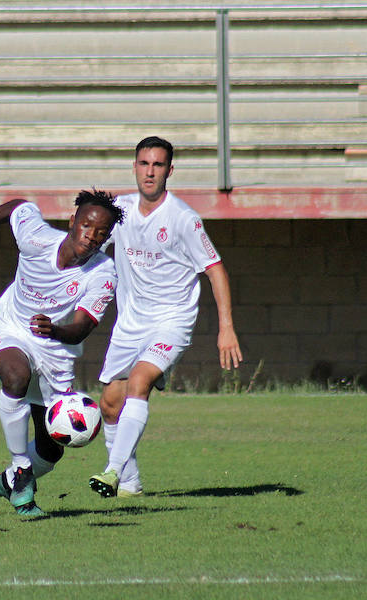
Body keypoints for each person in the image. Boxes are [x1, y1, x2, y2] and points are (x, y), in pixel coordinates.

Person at [0, 190, 122, 516]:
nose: (91, 236)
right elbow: (17, 206)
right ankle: (21, 468)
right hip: (10, 328)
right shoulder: (36, 237)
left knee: (51, 450)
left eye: (101, 233)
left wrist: (56, 330)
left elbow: (83, 326)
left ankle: (9, 481)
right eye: (86, 226)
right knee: (16, 377)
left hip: (55, 351)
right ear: (73, 221)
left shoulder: (103, 272)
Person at [89, 136, 243, 498]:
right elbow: (88, 239)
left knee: (140, 381)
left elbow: (216, 270)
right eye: (144, 163)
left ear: (169, 171)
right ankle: (129, 485)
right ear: (134, 167)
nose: (150, 171)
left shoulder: (183, 219)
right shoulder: (120, 210)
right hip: (130, 322)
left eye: (158, 165)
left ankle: (112, 471)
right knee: (110, 402)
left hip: (172, 320)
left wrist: (226, 328)